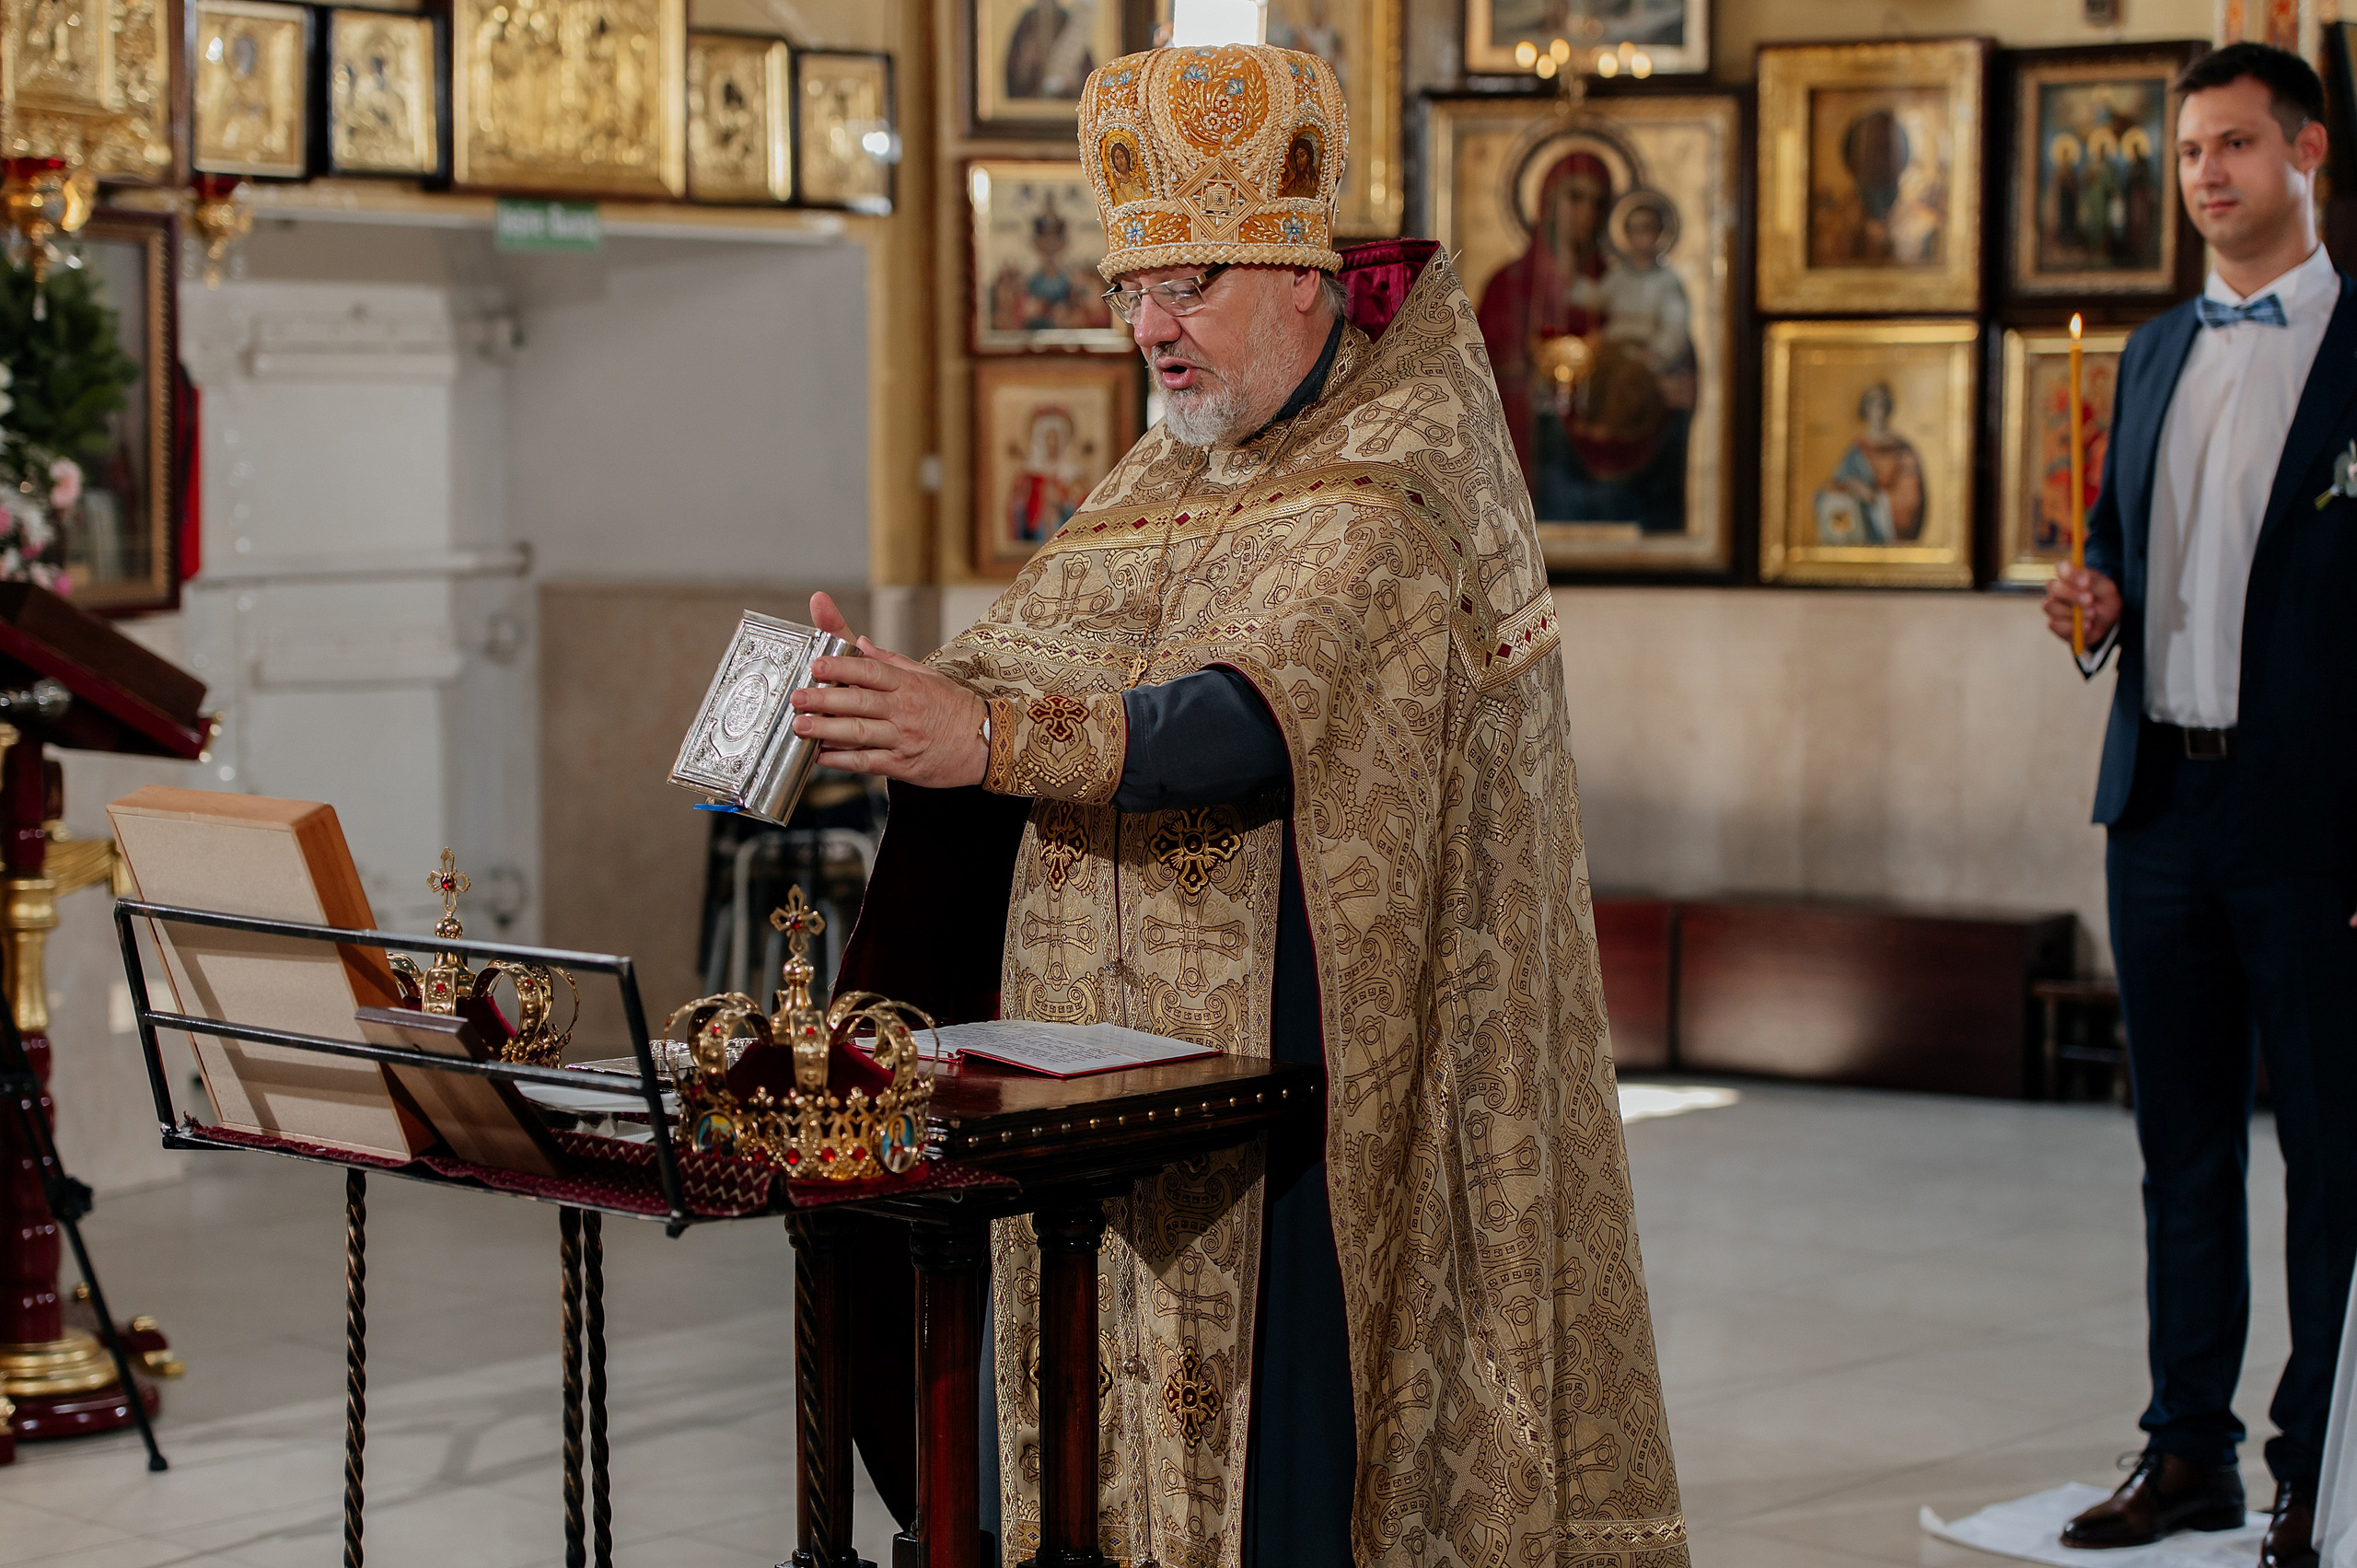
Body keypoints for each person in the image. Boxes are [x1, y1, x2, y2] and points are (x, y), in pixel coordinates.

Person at [790, 42, 1688, 1568]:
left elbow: (1248, 720)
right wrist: (886, 697)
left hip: (1307, 1072)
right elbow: (1030, 651)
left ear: (1298, 273)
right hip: (1088, 1074)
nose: (1149, 331)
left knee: (1282, 1457)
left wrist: (984, 729)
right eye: (1131, 293)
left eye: (1185, 287)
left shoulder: (1407, 463)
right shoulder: (1166, 464)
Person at [2043, 42, 2357, 1568]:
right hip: (2161, 799)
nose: (2205, 177)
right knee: (2181, 1148)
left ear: (2309, 152)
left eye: (2234, 145)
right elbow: (2119, 553)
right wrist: (2089, 601)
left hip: (2317, 823)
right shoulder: (2157, 349)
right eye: (2185, 153)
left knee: (2333, 1154)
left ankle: (2320, 1464)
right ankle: (2190, 1454)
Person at [1815, 381, 1924, 544]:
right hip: (1857, 514)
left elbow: (1911, 496)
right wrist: (1854, 486)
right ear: (1865, 410)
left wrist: (1878, 498)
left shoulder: (1902, 450)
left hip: (1885, 519)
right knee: (1829, 500)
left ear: (1889, 409)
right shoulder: (1857, 450)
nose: (1878, 411)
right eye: (1873, 405)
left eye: (1882, 405)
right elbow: (1838, 481)